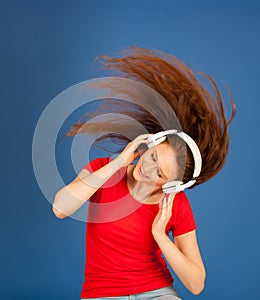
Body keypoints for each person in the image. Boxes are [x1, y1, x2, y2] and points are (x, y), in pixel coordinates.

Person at [52, 47, 236, 299]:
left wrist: (161, 236)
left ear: (170, 186)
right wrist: (116, 165)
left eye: (159, 173)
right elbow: (60, 208)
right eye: (152, 156)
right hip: (103, 293)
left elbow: (196, 284)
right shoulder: (102, 170)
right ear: (148, 143)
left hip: (156, 292)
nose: (147, 169)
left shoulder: (175, 204)